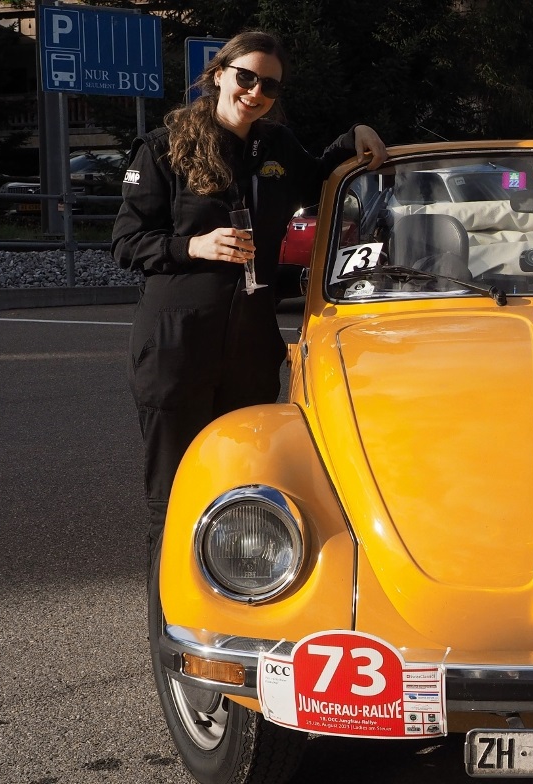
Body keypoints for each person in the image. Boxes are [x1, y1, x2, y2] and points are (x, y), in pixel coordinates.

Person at [111, 31, 388, 555]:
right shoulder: (163, 147)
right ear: (219, 74)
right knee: (175, 497)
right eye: (246, 77)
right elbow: (126, 243)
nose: (256, 92)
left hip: (249, 347)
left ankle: (239, 593)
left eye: (270, 86)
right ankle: (168, 603)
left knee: (245, 491)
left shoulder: (276, 146)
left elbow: (321, 179)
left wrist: (357, 133)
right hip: (177, 344)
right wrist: (194, 245)